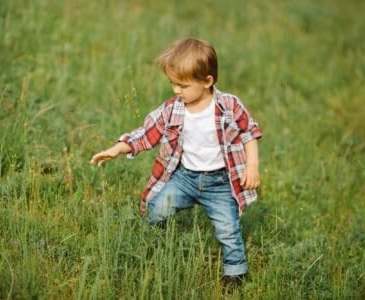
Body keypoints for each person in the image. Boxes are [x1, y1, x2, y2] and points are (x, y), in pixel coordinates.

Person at [90, 38, 262, 288]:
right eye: (172, 83)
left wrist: (252, 166)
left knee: (228, 229)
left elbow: (249, 133)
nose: (176, 90)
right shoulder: (173, 110)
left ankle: (235, 272)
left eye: (182, 85)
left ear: (207, 82)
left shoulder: (229, 106)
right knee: (156, 209)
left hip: (220, 182)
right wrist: (118, 148)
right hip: (184, 178)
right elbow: (146, 134)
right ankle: (153, 241)